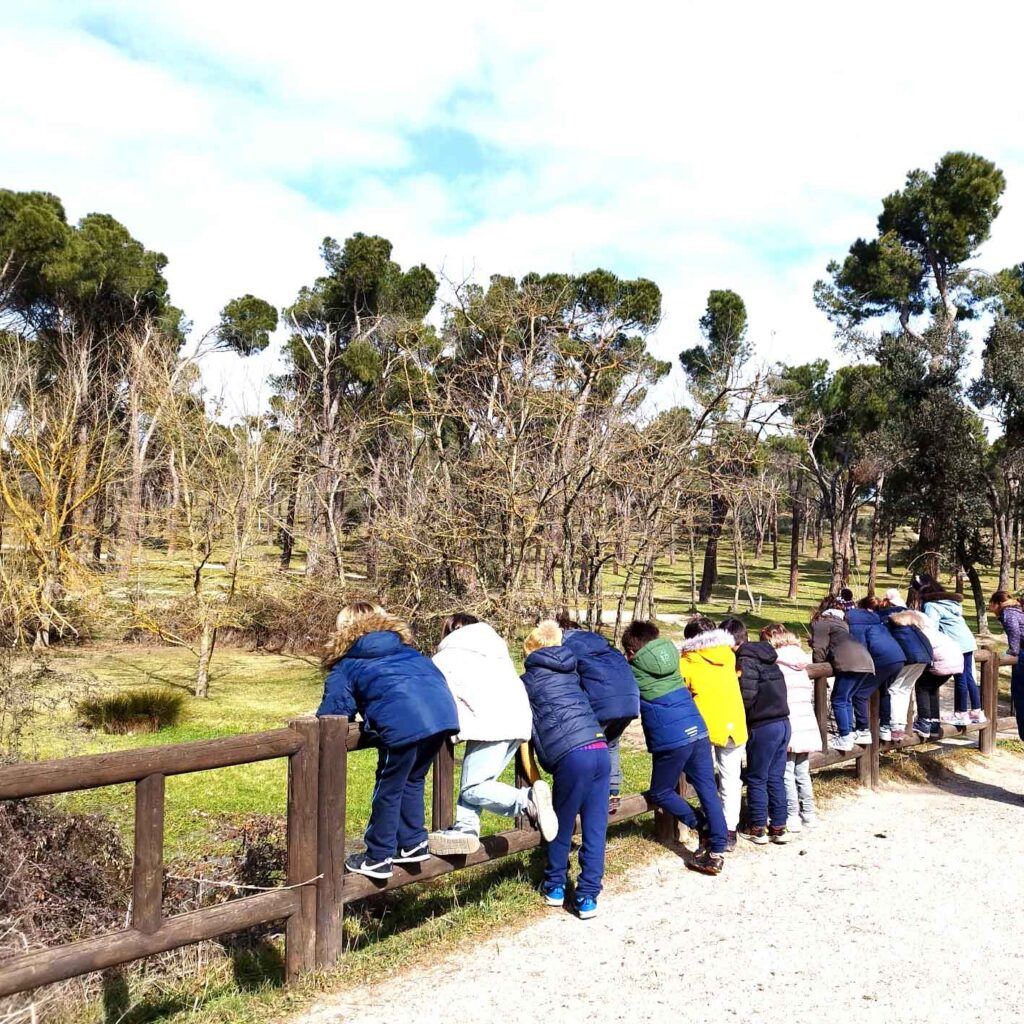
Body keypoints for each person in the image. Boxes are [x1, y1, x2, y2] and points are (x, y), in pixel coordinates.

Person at [318, 601, 459, 880]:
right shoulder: (408, 651)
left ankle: (378, 857)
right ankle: (413, 842)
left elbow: (334, 712)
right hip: (442, 717)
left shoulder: (349, 663)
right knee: (413, 780)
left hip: (404, 722)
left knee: (389, 787)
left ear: (343, 629)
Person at [428, 612, 557, 856]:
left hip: (491, 722)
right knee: (477, 780)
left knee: (473, 787)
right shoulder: (496, 648)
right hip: (518, 719)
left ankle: (528, 799)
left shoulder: (447, 656)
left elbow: (433, 691)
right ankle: (466, 828)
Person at [621, 620, 727, 874]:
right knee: (707, 789)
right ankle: (718, 847)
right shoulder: (673, 655)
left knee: (660, 791)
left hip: (671, 737)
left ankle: (700, 825)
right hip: (697, 728)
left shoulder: (633, 670)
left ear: (633, 651)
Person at [521, 621, 609, 920]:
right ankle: (587, 896)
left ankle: (556, 885)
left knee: (561, 821)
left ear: (530, 648)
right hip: (599, 746)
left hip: (572, 755)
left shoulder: (528, 681)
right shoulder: (572, 672)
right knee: (596, 827)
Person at [720, 617, 791, 845]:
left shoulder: (746, 660)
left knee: (757, 777)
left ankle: (757, 825)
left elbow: (747, 694)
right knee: (775, 776)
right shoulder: (767, 656)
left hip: (763, 724)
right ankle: (779, 825)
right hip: (782, 721)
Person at [678, 615, 747, 850]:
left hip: (703, 726)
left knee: (704, 781)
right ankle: (729, 829)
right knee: (731, 779)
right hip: (734, 721)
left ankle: (710, 826)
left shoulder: (686, 662)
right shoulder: (728, 655)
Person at [560, 620, 640, 809]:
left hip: (603, 703)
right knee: (611, 743)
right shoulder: (602, 643)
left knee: (587, 746)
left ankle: (586, 796)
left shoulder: (566, 645)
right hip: (630, 701)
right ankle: (612, 792)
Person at [761, 624, 818, 832]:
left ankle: (791, 814)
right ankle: (809, 813)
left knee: (786, 770)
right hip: (806, 719)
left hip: (788, 719)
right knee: (802, 770)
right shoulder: (800, 658)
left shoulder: (776, 662)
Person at [809, 597, 875, 753]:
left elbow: (819, 648)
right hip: (865, 661)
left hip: (850, 663)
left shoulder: (821, 622)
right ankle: (851, 733)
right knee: (846, 699)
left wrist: (818, 666)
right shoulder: (841, 623)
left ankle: (845, 736)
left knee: (838, 699)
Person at [887, 607, 962, 739]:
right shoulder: (931, 631)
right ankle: (934, 723)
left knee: (922, 687)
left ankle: (924, 721)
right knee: (931, 689)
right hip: (955, 661)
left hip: (943, 661)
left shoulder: (918, 633)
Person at [919, 583, 985, 726]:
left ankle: (961, 713)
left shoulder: (931, 605)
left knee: (960, 678)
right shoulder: (951, 604)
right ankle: (977, 711)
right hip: (967, 641)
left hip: (956, 644)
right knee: (968, 676)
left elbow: (931, 628)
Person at [848, 597, 906, 744]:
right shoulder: (876, 621)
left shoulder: (855, 624)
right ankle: (885, 726)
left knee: (859, 694)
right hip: (898, 657)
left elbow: (860, 646)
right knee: (885, 690)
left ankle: (863, 729)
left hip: (882, 659)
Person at [880, 595, 933, 741]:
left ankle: (895, 726)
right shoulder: (910, 623)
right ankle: (900, 725)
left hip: (910, 657)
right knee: (905, 689)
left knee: (894, 689)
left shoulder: (886, 621)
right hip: (925, 655)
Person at [988, 592, 1023, 740]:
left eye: (991, 604)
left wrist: (1012, 650)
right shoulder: (1017, 610)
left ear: (997, 603)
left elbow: (1015, 631)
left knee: (1019, 692)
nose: (991, 608)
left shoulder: (1008, 613)